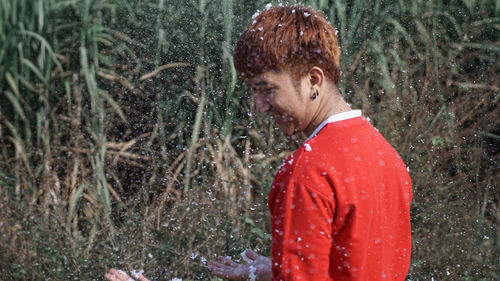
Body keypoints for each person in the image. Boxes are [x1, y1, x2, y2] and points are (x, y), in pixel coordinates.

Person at [105, 4, 412, 281]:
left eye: (267, 89)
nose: (260, 107)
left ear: (313, 80)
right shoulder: (384, 154)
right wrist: (277, 270)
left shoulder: (309, 172)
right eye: (254, 91)